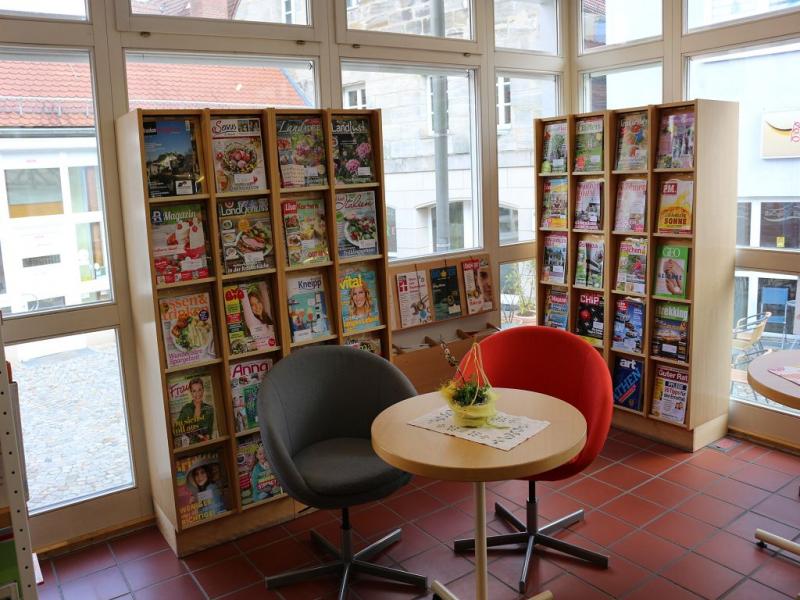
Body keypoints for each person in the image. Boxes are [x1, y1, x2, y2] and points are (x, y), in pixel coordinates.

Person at [176, 378, 214, 444]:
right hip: (190, 445)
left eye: (199, 390)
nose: (197, 394)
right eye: (194, 391)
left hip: (206, 444)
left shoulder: (209, 409)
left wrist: (205, 437)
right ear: (191, 393)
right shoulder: (186, 409)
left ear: (203, 390)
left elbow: (209, 432)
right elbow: (177, 429)